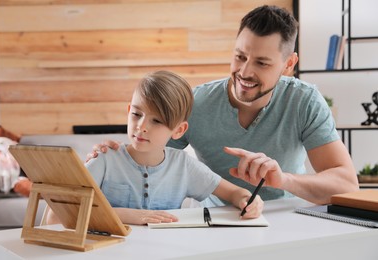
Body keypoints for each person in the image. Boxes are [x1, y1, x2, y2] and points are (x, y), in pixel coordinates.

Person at [88, 5, 359, 206]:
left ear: (289, 64)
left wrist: (284, 180)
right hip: (216, 222)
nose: (244, 72)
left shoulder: (304, 101)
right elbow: (152, 160)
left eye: (262, 63)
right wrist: (112, 157)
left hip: (286, 214)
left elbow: (346, 184)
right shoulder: (198, 102)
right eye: (239, 56)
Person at [47, 70, 263, 226]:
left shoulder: (183, 165)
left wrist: (248, 201)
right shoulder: (105, 159)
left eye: (156, 121)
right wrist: (128, 215)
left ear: (179, 130)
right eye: (137, 114)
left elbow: (234, 192)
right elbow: (60, 213)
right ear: (128, 110)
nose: (141, 127)